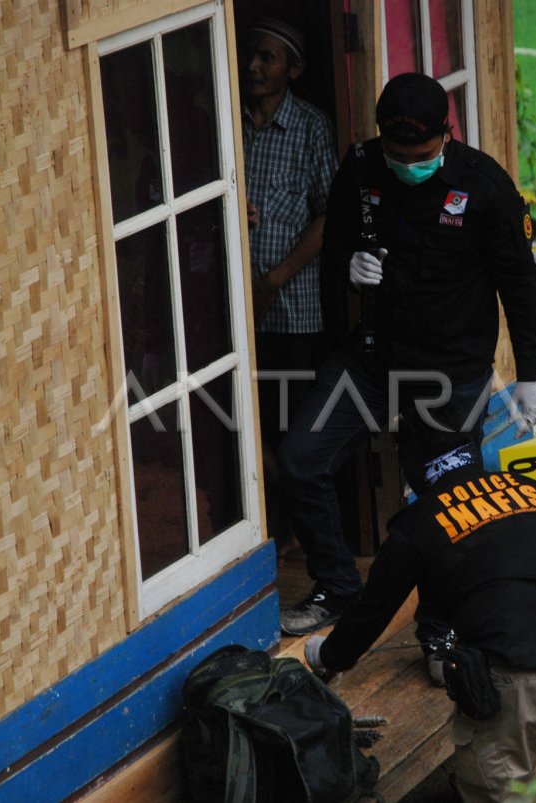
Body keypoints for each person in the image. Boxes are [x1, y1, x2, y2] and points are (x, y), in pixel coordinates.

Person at [277, 72, 536, 635]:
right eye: (397, 154)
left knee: (452, 502)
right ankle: (338, 586)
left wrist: (531, 377)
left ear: (445, 136)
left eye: (420, 155)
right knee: (301, 457)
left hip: (452, 372)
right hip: (372, 361)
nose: (408, 164)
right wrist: (350, 269)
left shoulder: (483, 186)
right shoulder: (360, 168)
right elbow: (336, 248)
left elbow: (521, 288)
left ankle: (443, 623)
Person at [303, 415, 536, 802]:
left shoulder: (417, 523)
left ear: (412, 463)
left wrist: (328, 654)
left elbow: (371, 610)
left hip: (517, 675)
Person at [239, 18, 339, 546]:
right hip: (236, 308)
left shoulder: (310, 128)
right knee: (244, 423)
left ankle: (301, 529)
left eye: (267, 58)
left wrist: (271, 282)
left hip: (291, 310)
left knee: (290, 426)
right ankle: (274, 529)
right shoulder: (230, 121)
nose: (253, 67)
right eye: (251, 56)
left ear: (294, 70)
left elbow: (328, 220)